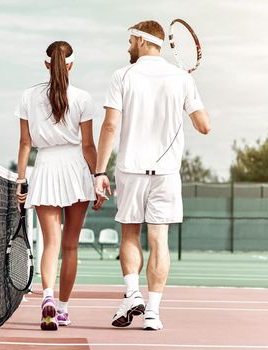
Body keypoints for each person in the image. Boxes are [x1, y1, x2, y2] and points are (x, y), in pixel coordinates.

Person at [94, 20, 210, 331]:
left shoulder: (122, 75)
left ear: (144, 42)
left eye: (131, 40)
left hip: (131, 169)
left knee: (130, 235)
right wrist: (188, 91)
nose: (128, 45)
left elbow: (110, 126)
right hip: (167, 174)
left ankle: (133, 293)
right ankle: (153, 312)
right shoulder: (181, 80)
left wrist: (99, 171)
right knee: (160, 241)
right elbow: (204, 126)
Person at [15, 40, 103, 330]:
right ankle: (62, 309)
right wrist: (98, 176)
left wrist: (20, 179)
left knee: (50, 244)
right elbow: (88, 146)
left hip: (45, 169)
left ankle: (48, 297)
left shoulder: (28, 95)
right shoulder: (83, 97)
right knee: (70, 245)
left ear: (46, 64)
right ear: (71, 65)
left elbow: (25, 142)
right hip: (77, 170)